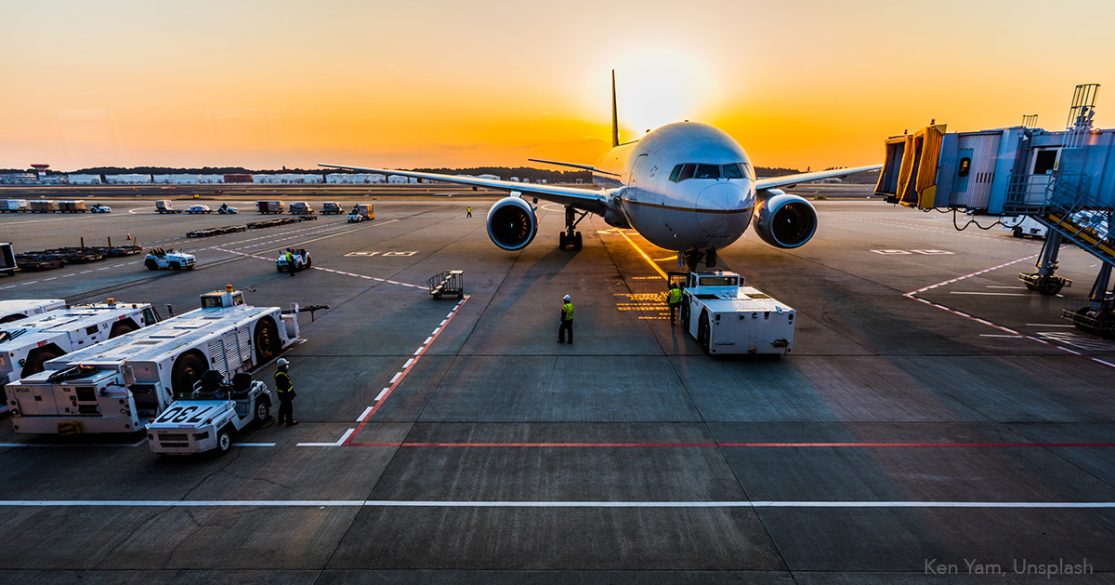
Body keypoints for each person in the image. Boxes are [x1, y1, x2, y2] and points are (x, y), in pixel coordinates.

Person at [274, 358, 297, 426]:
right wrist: (289, 395)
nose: (287, 367)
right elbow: (285, 387)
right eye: (285, 366)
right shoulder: (281, 375)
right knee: (289, 408)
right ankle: (289, 421)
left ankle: (280, 420)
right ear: (282, 367)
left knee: (283, 406)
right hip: (285, 395)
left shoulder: (278, 373)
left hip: (281, 394)